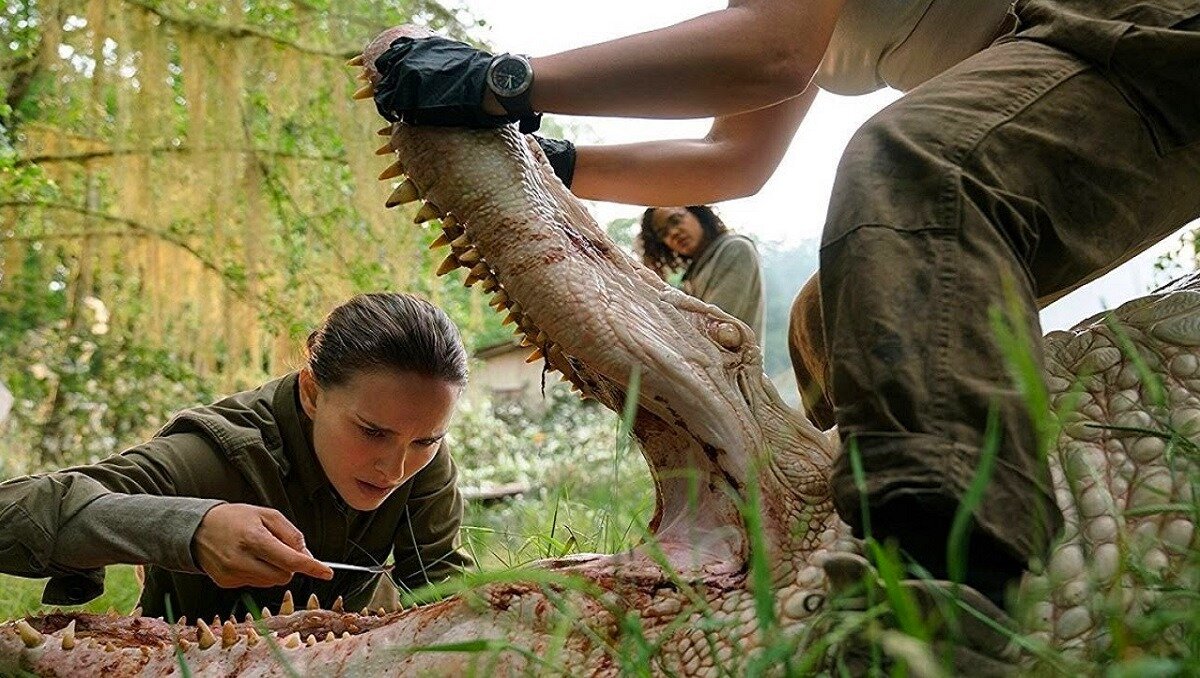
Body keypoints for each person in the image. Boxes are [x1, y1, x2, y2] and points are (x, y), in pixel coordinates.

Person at [365, 0, 1200, 663]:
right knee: (833, 311)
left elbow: (767, 51)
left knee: (914, 166)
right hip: (1072, 55)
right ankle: (837, 532)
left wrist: (502, 80)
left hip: (1142, 27)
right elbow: (737, 158)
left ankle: (936, 593)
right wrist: (554, 160)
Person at [0, 292, 473, 620]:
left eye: (426, 441)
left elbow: (442, 594)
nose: (396, 468)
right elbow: (10, 513)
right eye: (372, 432)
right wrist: (191, 529)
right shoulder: (216, 454)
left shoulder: (422, 454)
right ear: (312, 392)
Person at [640, 205, 765, 338]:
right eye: (663, 233)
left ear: (697, 213)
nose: (673, 233)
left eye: (676, 220)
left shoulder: (736, 249)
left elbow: (713, 328)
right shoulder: (694, 272)